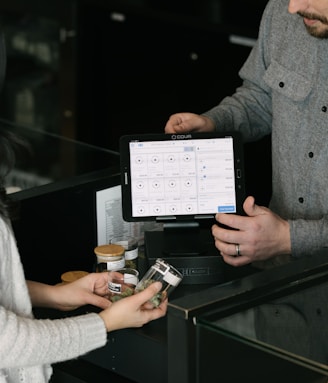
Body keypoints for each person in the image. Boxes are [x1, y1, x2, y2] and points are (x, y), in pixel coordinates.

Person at [165, 0, 328, 270]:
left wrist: (289, 238)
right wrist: (214, 122)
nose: (293, 7)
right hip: (278, 272)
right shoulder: (281, 11)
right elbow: (261, 97)